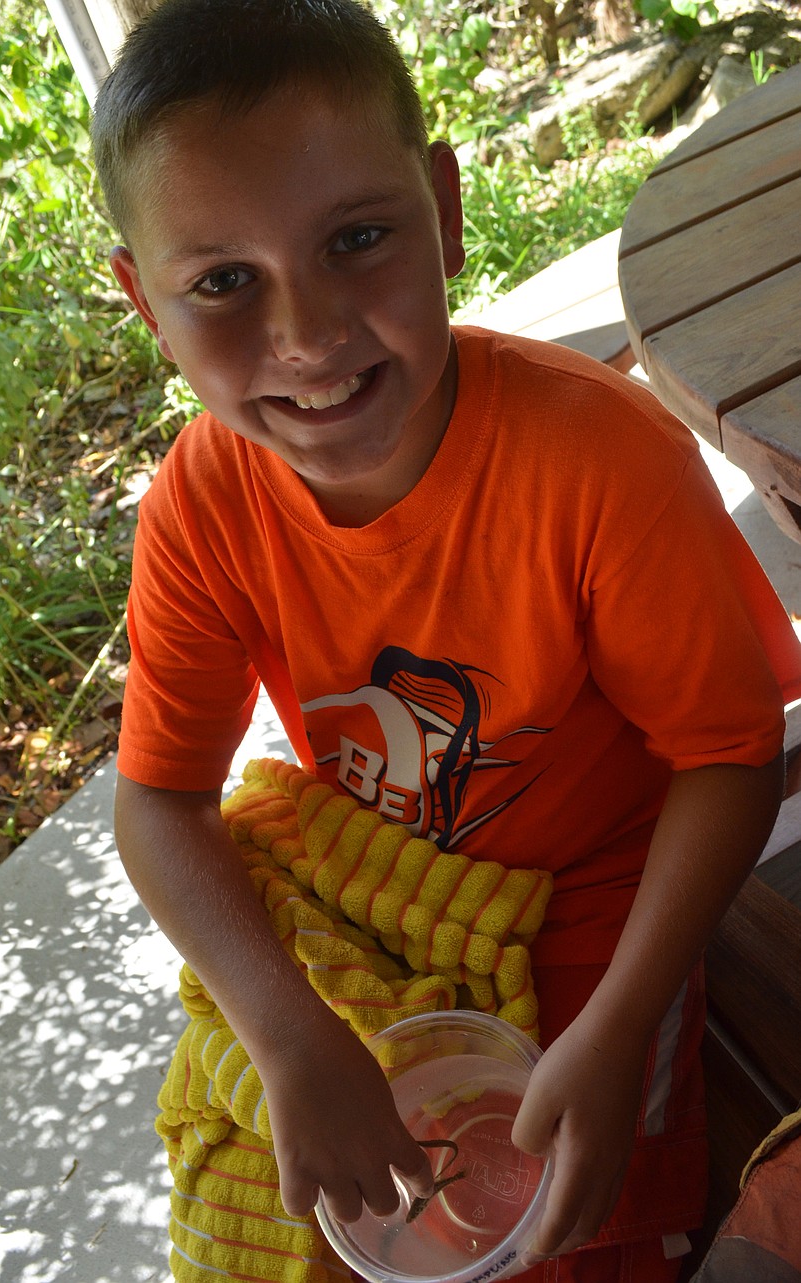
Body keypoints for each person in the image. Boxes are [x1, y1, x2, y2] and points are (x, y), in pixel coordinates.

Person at [90, 1, 801, 1279]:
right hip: (381, 888)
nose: (307, 338)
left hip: (604, 901)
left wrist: (629, 1011)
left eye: (356, 238)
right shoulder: (203, 499)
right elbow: (159, 805)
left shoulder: (600, 466)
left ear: (446, 210)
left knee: (565, 1227)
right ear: (146, 300)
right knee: (292, 1190)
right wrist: (291, 1037)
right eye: (224, 283)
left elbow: (729, 754)